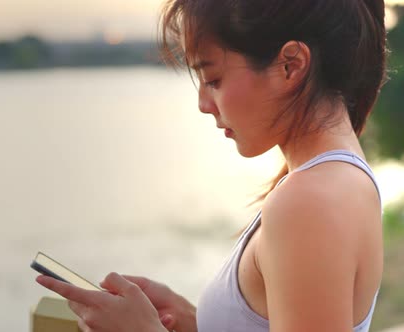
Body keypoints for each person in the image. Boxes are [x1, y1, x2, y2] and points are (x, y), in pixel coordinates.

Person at [35, 0, 387, 331]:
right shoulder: (338, 179)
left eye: (213, 80)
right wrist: (197, 321)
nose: (204, 104)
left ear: (290, 65)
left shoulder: (310, 201)